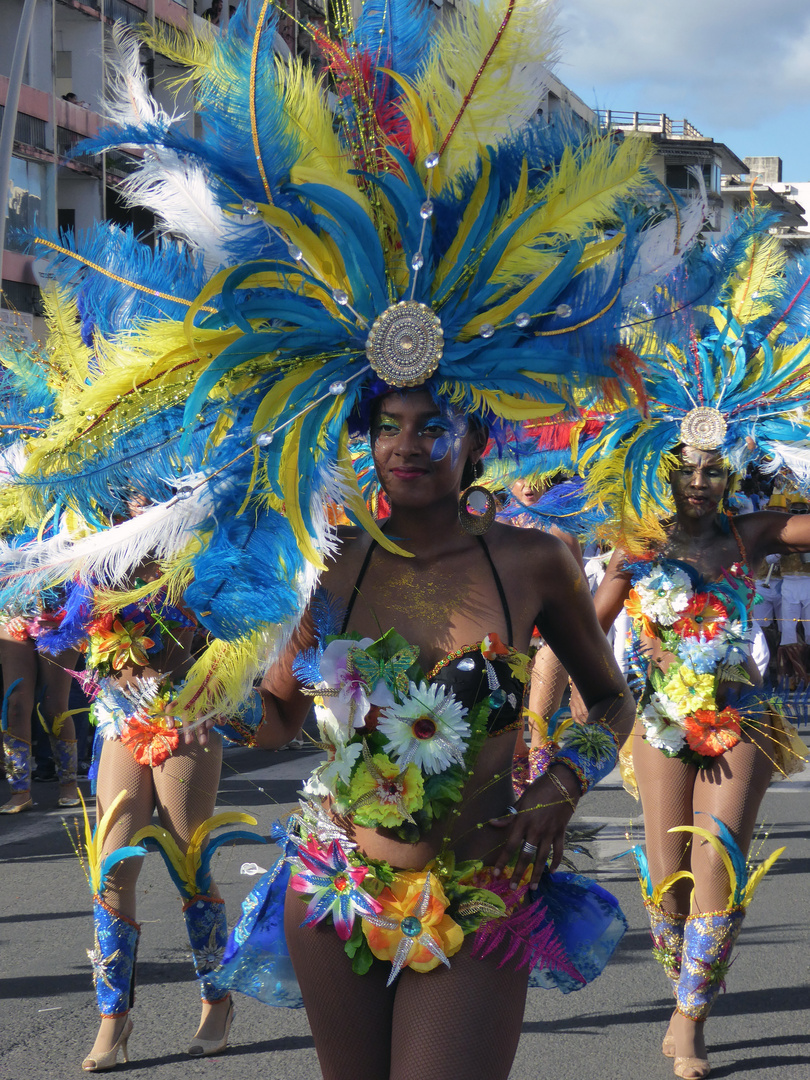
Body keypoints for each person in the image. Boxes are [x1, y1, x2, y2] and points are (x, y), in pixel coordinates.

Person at [214, 388, 635, 1080]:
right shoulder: (323, 561)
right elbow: (277, 719)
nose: (407, 445)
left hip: (479, 885)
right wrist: (204, 690)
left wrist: (563, 782)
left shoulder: (534, 561)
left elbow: (615, 702)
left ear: (477, 443)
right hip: (336, 886)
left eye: (434, 428)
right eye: (388, 428)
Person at [579, 209, 810, 1080]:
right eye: (689, 469)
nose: (705, 481)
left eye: (717, 468)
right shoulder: (638, 546)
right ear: (663, 472)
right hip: (657, 716)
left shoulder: (748, 537)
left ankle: (690, 1014)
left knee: (721, 860)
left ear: (733, 471)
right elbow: (583, 629)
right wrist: (561, 707)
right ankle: (680, 969)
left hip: (740, 715)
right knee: (668, 865)